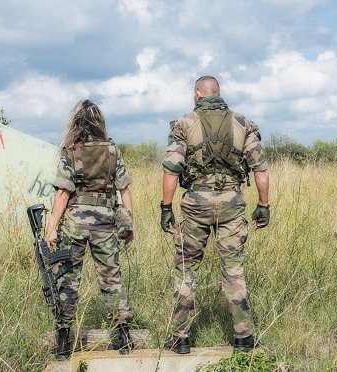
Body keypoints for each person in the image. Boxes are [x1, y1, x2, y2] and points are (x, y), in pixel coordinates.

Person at [160, 75, 270, 354]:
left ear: (198, 94)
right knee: (233, 271)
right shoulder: (243, 123)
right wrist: (263, 205)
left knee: (186, 271)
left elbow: (172, 169)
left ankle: (180, 338)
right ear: (218, 93)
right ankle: (243, 338)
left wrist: (166, 208)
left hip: (195, 204)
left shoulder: (184, 124)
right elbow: (260, 168)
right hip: (232, 203)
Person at [44, 99, 136, 359]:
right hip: (106, 223)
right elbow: (124, 189)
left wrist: (51, 228)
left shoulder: (71, 150)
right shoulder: (112, 151)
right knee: (111, 280)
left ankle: (63, 339)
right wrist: (130, 223)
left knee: (68, 280)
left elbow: (63, 193)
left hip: (75, 223)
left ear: (76, 122)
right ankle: (123, 337)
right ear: (99, 122)